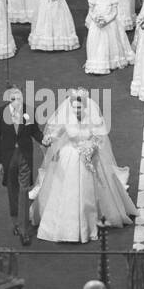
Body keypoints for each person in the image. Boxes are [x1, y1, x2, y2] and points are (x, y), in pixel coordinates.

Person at [33, 91, 136, 244]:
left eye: (79, 108)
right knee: (68, 190)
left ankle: (93, 218)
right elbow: (57, 134)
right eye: (74, 108)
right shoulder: (67, 120)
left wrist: (91, 147)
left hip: (90, 158)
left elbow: (99, 137)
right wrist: (49, 138)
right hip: (70, 157)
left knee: (92, 190)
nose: (77, 111)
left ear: (84, 107)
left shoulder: (92, 119)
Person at [0, 87, 43, 246]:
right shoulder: (0, 113)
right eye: (13, 98)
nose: (16, 101)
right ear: (8, 99)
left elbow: (35, 132)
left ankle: (24, 230)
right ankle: (16, 222)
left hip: (24, 157)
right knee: (12, 190)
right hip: (8, 158)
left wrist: (45, 140)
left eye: (19, 98)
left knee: (24, 190)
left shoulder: (29, 111)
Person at [84, 0, 132, 75]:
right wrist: (95, 19)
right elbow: (91, 11)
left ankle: (111, 61)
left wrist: (106, 20)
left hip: (109, 24)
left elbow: (114, 13)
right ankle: (96, 61)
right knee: (97, 43)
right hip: (97, 25)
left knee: (111, 41)